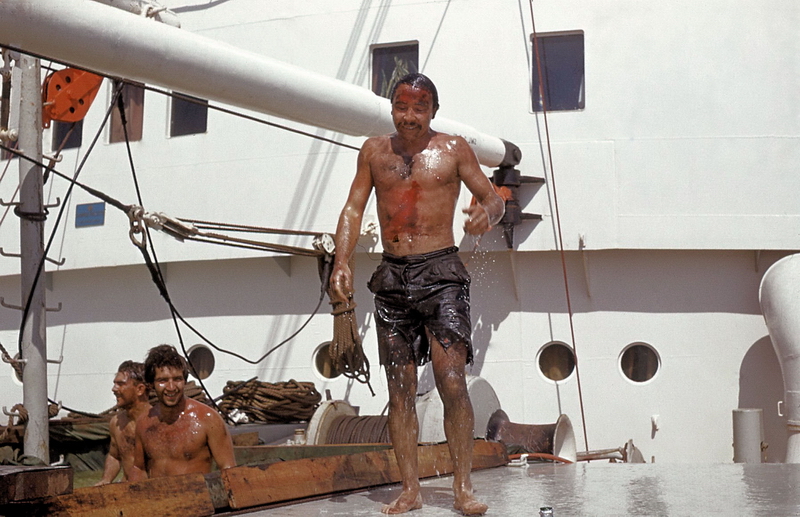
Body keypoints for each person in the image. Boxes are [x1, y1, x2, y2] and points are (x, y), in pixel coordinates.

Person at [330, 73, 504, 516]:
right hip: (392, 277)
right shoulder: (373, 151)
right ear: (392, 108)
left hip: (441, 273)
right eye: (401, 107)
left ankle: (462, 488)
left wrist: (486, 214)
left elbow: (494, 199)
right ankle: (410, 489)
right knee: (399, 388)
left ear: (433, 111)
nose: (409, 117)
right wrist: (341, 261)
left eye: (419, 108)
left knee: (451, 381)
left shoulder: (454, 149)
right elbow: (353, 208)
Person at [129, 344, 235, 480]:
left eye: (177, 379)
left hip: (198, 492)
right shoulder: (144, 423)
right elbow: (139, 468)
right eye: (163, 380)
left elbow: (228, 469)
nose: (171, 387)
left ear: (184, 381)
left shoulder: (208, 419)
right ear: (151, 384)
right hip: (158, 493)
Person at [94, 361, 151, 485]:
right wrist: (106, 479)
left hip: (155, 489)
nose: (114, 389)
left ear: (140, 389)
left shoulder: (157, 422)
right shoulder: (116, 422)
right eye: (115, 383)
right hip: (128, 489)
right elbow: (114, 456)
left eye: (120, 384)